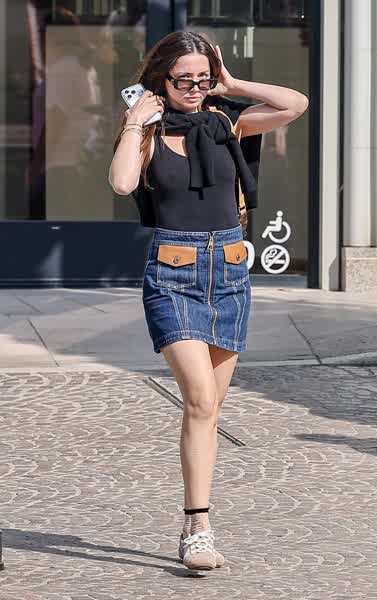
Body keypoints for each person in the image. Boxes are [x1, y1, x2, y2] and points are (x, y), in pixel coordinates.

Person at [109, 30, 308, 571]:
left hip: (230, 275)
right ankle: (198, 527)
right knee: (199, 399)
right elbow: (123, 182)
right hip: (173, 275)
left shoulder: (227, 122)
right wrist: (136, 122)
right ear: (161, 80)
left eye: (203, 78)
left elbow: (295, 104)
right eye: (184, 80)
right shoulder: (147, 131)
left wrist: (233, 83)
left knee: (209, 409)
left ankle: (193, 524)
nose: (196, 88)